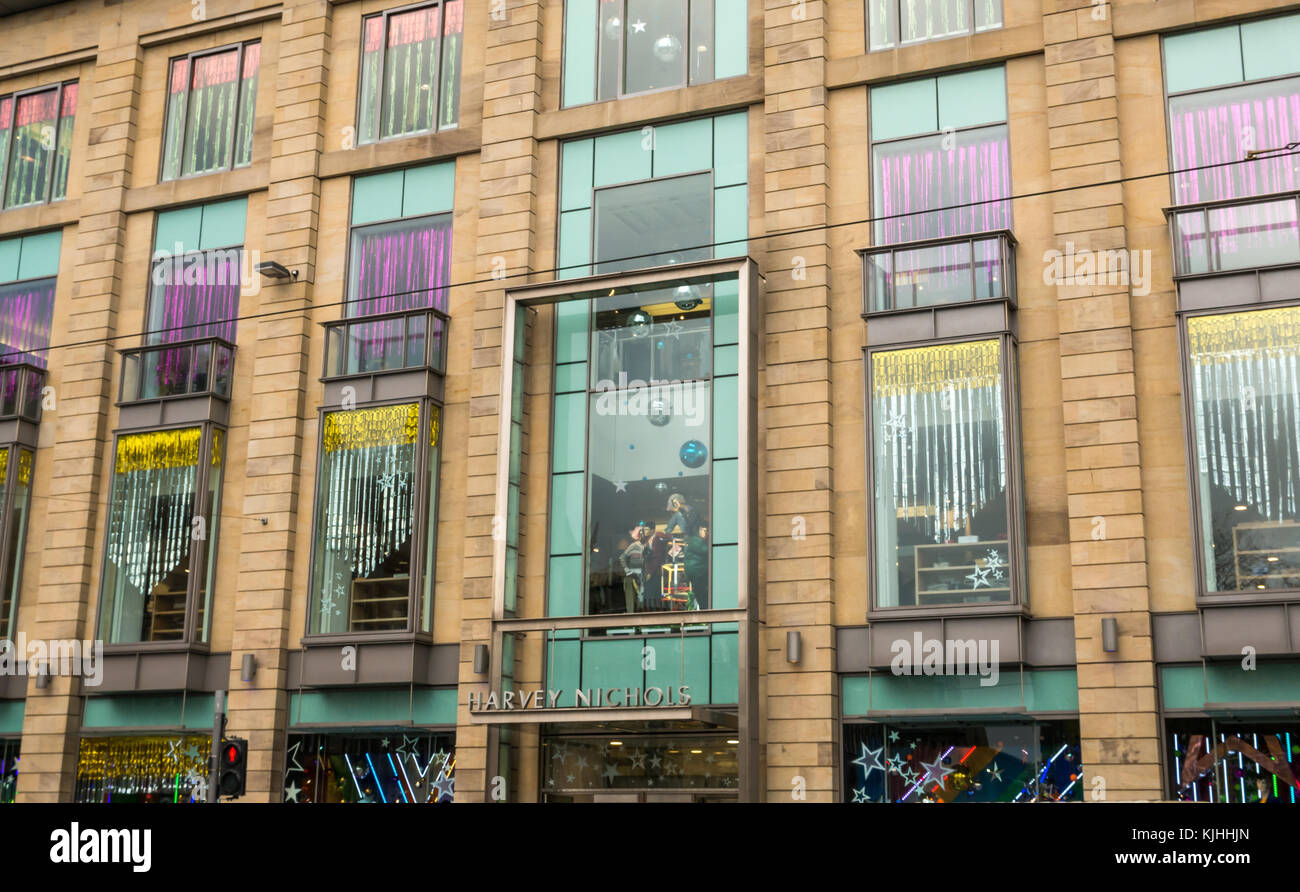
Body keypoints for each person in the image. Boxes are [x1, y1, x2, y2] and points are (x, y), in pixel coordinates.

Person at [665, 493, 708, 609]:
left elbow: (670, 529)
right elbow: (668, 530)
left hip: (696, 571)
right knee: (702, 598)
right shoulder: (695, 541)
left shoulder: (687, 515)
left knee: (702, 597)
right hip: (697, 571)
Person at [618, 522, 650, 614]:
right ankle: (631, 623)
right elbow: (622, 558)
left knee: (640, 603)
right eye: (641, 533)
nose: (643, 535)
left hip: (641, 577)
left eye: (644, 533)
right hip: (631, 577)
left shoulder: (646, 547)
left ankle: (639, 624)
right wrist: (628, 571)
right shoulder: (634, 545)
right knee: (630, 603)